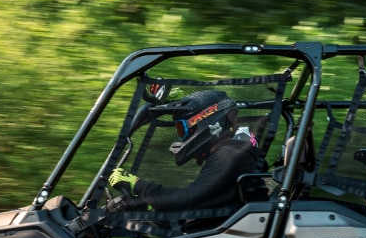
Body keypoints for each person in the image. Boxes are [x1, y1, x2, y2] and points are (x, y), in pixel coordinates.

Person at [106, 90, 266, 213]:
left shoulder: (230, 154)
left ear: (206, 121)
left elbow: (188, 199)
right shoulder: (235, 151)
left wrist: (137, 184)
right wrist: (143, 205)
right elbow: (199, 209)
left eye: (182, 130)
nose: (181, 139)